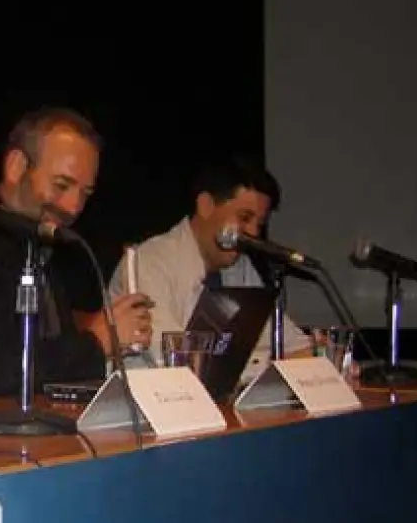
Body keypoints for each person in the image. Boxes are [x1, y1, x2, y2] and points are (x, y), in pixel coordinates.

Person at [0, 107, 152, 397]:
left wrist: (101, 335)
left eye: (85, 194)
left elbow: (46, 355)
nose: (73, 207)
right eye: (62, 185)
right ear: (16, 166)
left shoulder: (34, 239)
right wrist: (96, 342)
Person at [107, 159, 312, 380]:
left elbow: (298, 348)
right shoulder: (150, 261)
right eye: (244, 218)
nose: (253, 232)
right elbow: (175, 359)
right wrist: (270, 365)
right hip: (154, 397)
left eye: (259, 224)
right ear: (205, 205)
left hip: (218, 397)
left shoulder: (241, 267)